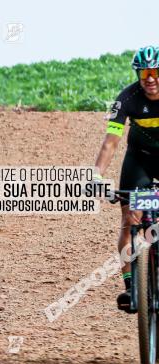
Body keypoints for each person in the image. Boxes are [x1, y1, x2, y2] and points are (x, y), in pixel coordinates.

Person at [93, 46, 159, 312]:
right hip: (140, 159)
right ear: (138, 74)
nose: (150, 78)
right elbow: (110, 143)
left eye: (155, 71)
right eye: (145, 73)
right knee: (129, 217)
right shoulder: (127, 98)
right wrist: (96, 175)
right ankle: (131, 286)